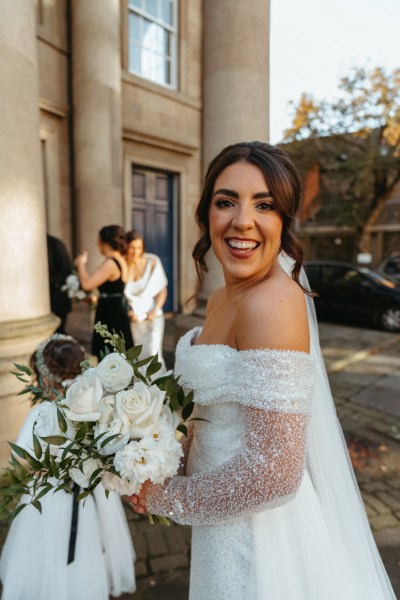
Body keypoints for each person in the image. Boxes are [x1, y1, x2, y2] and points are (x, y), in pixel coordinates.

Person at [129, 141, 396, 599]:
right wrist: (157, 449)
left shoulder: (272, 302)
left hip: (262, 540)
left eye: (264, 205)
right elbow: (211, 413)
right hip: (220, 519)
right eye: (226, 201)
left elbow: (273, 475)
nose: (242, 220)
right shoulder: (220, 299)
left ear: (283, 220)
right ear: (205, 214)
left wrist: (165, 498)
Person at [0, 334, 136, 600]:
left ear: (45, 379)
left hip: (49, 499)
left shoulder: (44, 413)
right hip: (90, 496)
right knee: (89, 549)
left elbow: (25, 458)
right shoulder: (100, 409)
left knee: (46, 556)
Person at [75, 225, 133, 360]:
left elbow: (87, 284)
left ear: (104, 242)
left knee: (110, 353)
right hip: (115, 307)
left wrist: (80, 264)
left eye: (99, 241)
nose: (97, 245)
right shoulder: (120, 259)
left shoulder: (111, 263)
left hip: (111, 312)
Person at [124, 230, 168, 366]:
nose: (135, 252)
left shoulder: (152, 262)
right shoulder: (122, 265)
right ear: (125, 247)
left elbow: (162, 291)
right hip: (132, 319)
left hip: (153, 316)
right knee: (135, 358)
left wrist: (155, 310)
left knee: (153, 354)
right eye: (131, 247)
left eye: (138, 247)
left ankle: (158, 386)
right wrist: (128, 312)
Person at [47, 233, 73, 333]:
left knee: (58, 333)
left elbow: (66, 270)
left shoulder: (54, 244)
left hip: (57, 300)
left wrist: (47, 282)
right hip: (45, 301)